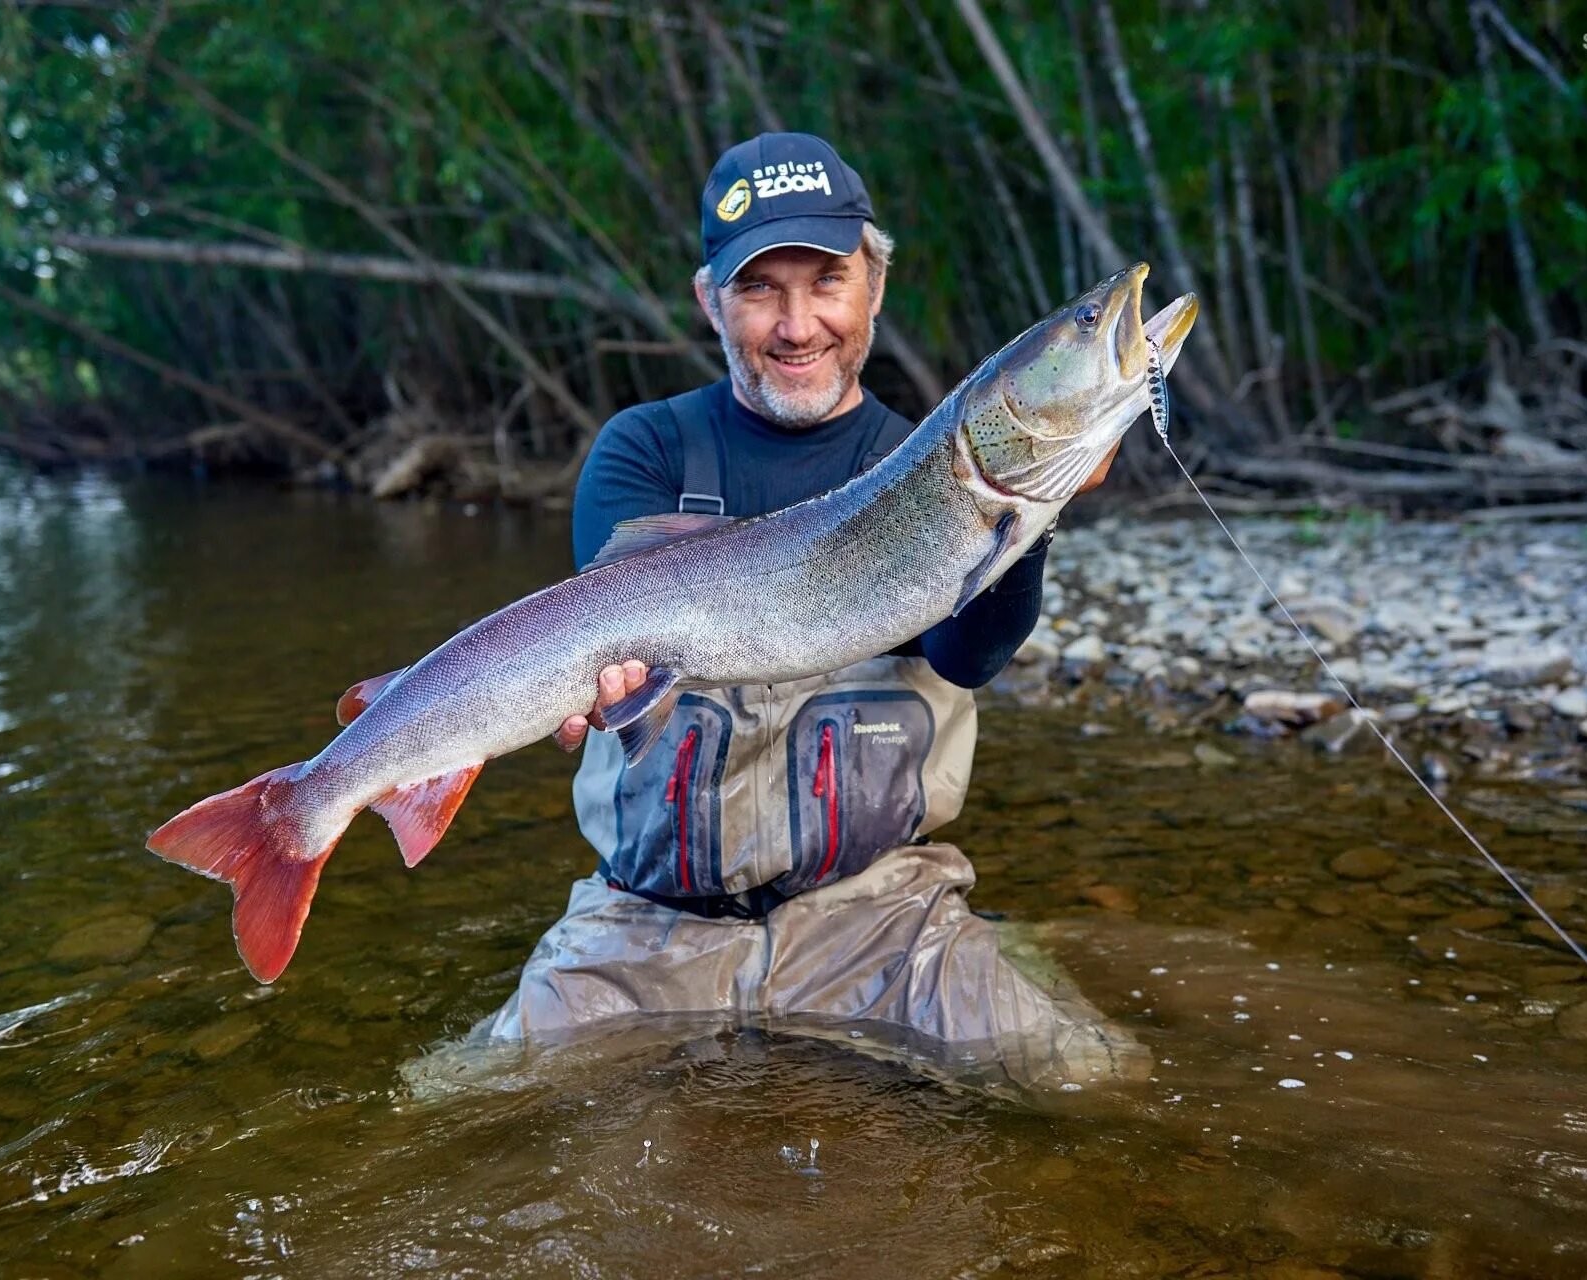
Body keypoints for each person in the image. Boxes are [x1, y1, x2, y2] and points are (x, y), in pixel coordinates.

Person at [464, 133, 1143, 1091]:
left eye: (826, 281)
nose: (797, 325)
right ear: (710, 301)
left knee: (1096, 1085)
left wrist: (1037, 507)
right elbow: (611, 654)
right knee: (461, 1107)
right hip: (646, 931)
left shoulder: (924, 459)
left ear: (873, 286)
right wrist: (600, 687)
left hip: (881, 922)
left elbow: (969, 657)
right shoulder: (644, 451)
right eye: (759, 290)